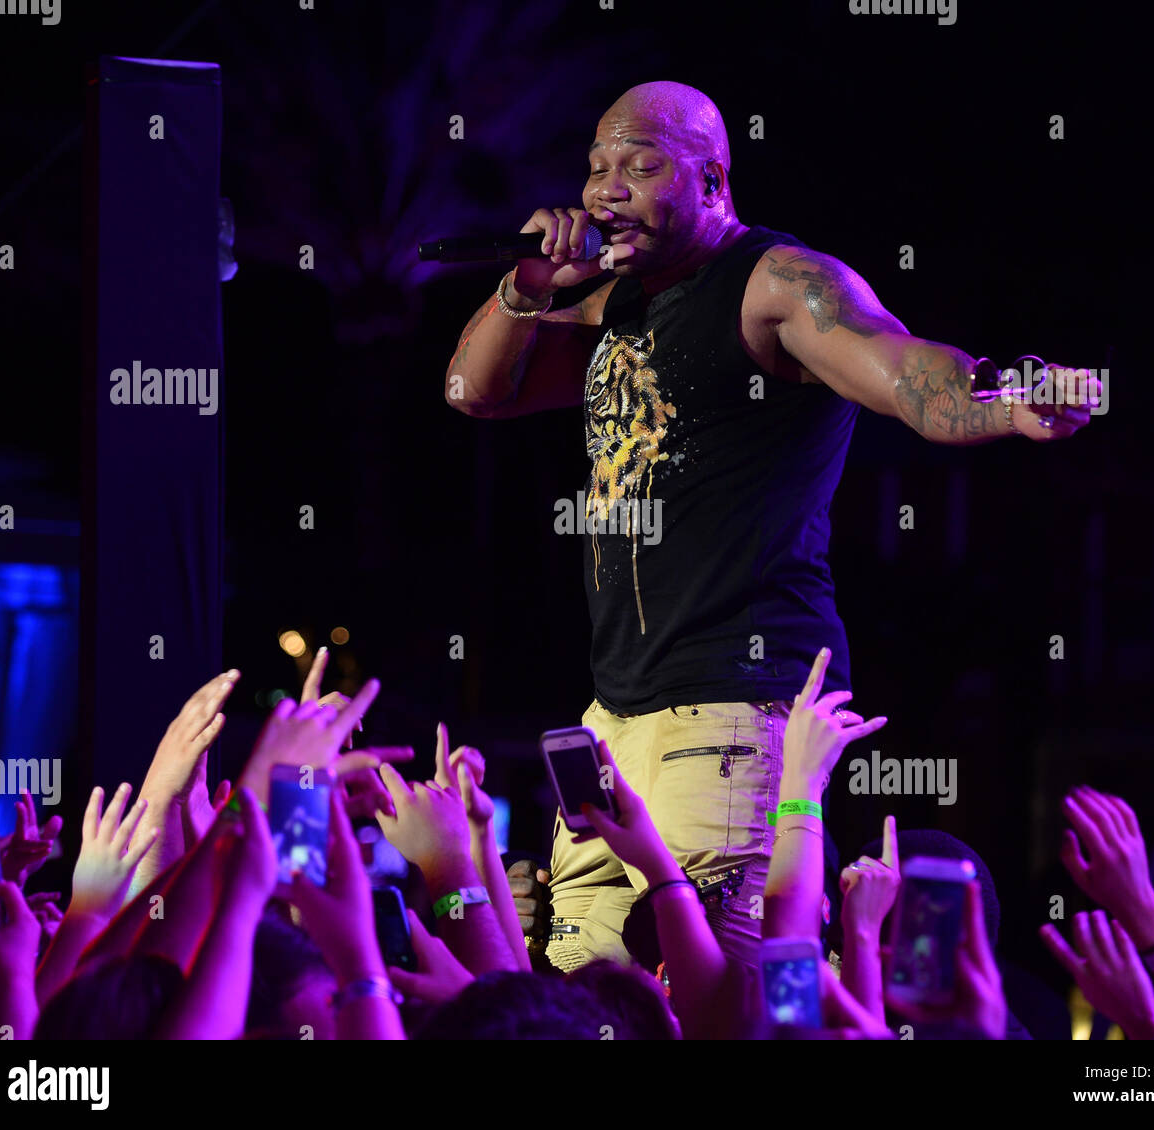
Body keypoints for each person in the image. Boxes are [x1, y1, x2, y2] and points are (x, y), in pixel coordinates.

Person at [445, 80, 1101, 972]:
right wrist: (526, 287)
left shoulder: (775, 286)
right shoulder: (613, 305)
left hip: (729, 707)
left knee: (706, 998)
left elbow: (902, 370)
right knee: (577, 1006)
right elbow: (475, 393)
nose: (606, 190)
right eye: (597, 168)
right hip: (614, 718)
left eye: (640, 165)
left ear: (711, 179)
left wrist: (1005, 394)